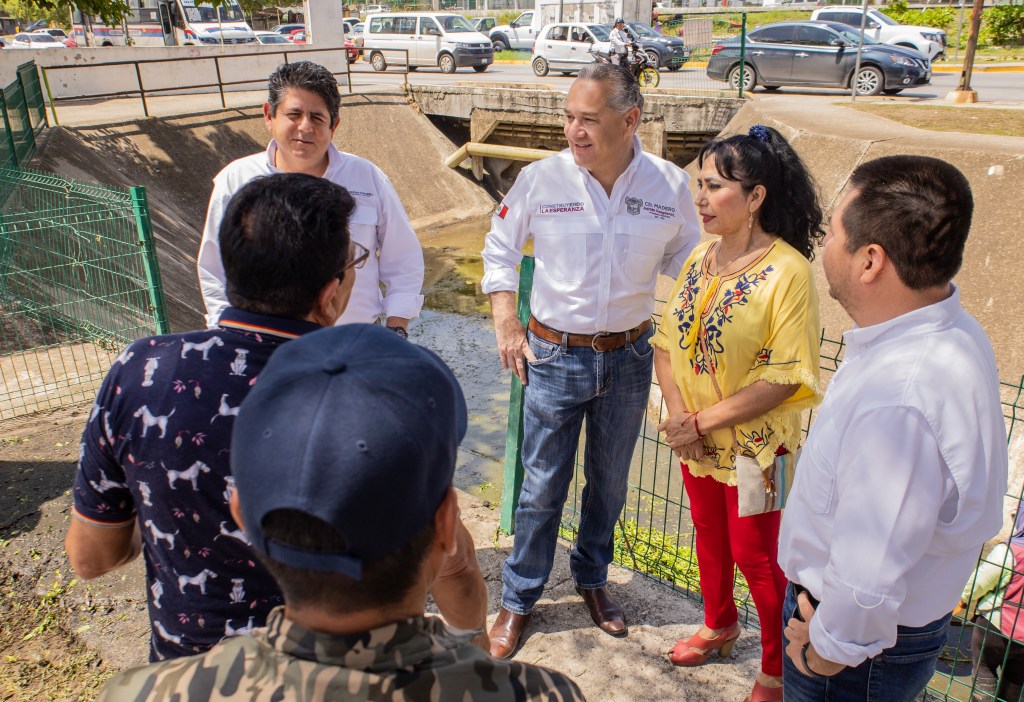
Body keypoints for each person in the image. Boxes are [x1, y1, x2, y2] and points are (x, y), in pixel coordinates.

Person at [66, 173, 486, 661]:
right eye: (353, 263)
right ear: (329, 296)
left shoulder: (141, 372)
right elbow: (453, 564)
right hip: (347, 678)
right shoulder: (380, 392)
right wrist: (471, 644)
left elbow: (91, 557)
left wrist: (161, 499)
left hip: (194, 675)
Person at [95, 324, 586, 702]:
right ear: (446, 525)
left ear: (243, 515)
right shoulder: (539, 694)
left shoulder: (147, 692)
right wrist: (470, 641)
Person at [481, 64, 700, 658]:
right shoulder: (540, 180)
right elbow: (499, 247)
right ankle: (519, 597)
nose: (574, 132)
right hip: (552, 355)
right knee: (541, 488)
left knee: (608, 484)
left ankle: (592, 579)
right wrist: (507, 321)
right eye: (569, 118)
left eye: (589, 120)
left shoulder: (669, 186)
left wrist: (691, 341)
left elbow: (691, 262)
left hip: (629, 357)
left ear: (630, 121)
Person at [778, 155, 1008, 701]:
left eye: (832, 230)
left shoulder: (899, 398)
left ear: (870, 260)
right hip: (890, 632)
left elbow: (867, 573)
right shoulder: (949, 329)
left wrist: (824, 651)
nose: (824, 242)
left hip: (855, 648)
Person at [652, 124, 823, 702]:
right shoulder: (700, 257)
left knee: (759, 556)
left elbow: (785, 378)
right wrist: (681, 421)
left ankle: (777, 667)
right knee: (708, 537)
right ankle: (720, 621)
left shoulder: (789, 273)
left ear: (756, 197)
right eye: (700, 185)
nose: (700, 198)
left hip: (759, 450)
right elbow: (664, 342)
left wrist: (698, 423)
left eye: (717, 186)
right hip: (695, 442)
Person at [196, 60, 424, 337]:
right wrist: (228, 337)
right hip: (266, 349)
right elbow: (213, 269)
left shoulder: (367, 178)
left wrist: (396, 330)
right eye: (294, 114)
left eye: (317, 118)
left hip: (355, 343)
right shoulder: (236, 181)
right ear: (269, 116)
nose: (305, 127)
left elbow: (403, 259)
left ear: (334, 125)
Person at [961, 509, 1024, 702]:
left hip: (996, 628)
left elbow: (980, 581)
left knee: (984, 672)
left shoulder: (1012, 550)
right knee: (1015, 681)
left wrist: (963, 599)